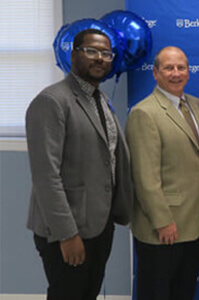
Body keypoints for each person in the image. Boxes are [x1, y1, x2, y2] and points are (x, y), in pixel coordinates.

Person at [25, 28, 133, 300]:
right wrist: (67, 235)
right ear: (73, 55)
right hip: (69, 229)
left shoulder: (100, 100)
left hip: (99, 223)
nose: (100, 58)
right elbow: (46, 176)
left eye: (106, 53)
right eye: (91, 51)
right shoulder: (52, 101)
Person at [125, 46, 199, 300]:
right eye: (168, 68)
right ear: (155, 73)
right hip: (163, 227)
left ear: (188, 71)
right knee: (156, 293)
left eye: (181, 67)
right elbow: (145, 177)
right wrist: (163, 220)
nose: (176, 73)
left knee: (183, 292)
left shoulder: (195, 105)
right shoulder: (144, 113)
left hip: (194, 221)